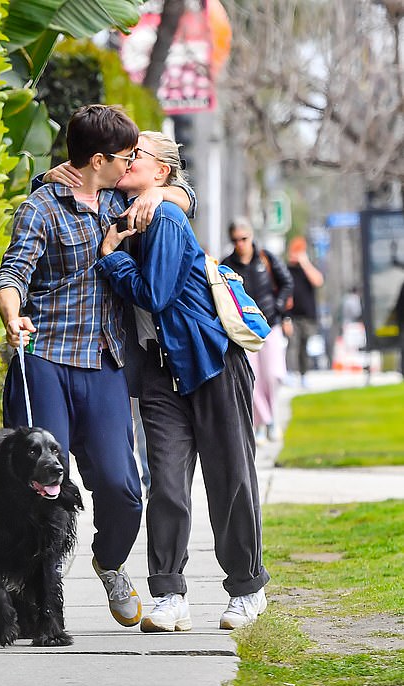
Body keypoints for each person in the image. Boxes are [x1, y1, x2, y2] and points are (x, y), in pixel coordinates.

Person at [0, 105, 193, 629]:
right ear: (99, 159)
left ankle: (109, 563)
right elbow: (13, 272)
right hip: (45, 361)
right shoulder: (41, 206)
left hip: (102, 360)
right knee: (35, 486)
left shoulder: (117, 199)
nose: (133, 164)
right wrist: (13, 317)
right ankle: (32, 591)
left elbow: (181, 196)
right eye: (126, 157)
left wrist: (159, 191)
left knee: (123, 486)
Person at [95, 131, 270, 632]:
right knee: (167, 484)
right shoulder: (119, 204)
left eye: (137, 156)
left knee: (230, 480)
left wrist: (112, 256)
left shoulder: (165, 216)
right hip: (157, 369)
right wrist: (164, 191)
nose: (125, 160)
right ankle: (169, 594)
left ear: (162, 171)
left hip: (207, 359)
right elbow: (68, 181)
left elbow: (154, 293)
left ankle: (247, 588)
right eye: (124, 154)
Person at [222, 218, 293, 444]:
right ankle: (262, 422)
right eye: (235, 240)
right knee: (252, 378)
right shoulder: (227, 264)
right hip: (244, 330)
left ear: (251, 236)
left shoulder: (266, 258)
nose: (240, 244)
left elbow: (286, 283)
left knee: (273, 375)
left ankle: (270, 419)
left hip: (270, 324)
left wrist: (279, 307)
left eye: (244, 239)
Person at [284, 236, 324, 386]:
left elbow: (318, 281)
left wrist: (305, 263)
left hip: (308, 316)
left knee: (304, 346)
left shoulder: (308, 268)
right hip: (292, 316)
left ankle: (304, 374)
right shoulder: (287, 270)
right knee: (292, 345)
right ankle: (290, 374)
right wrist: (285, 318)